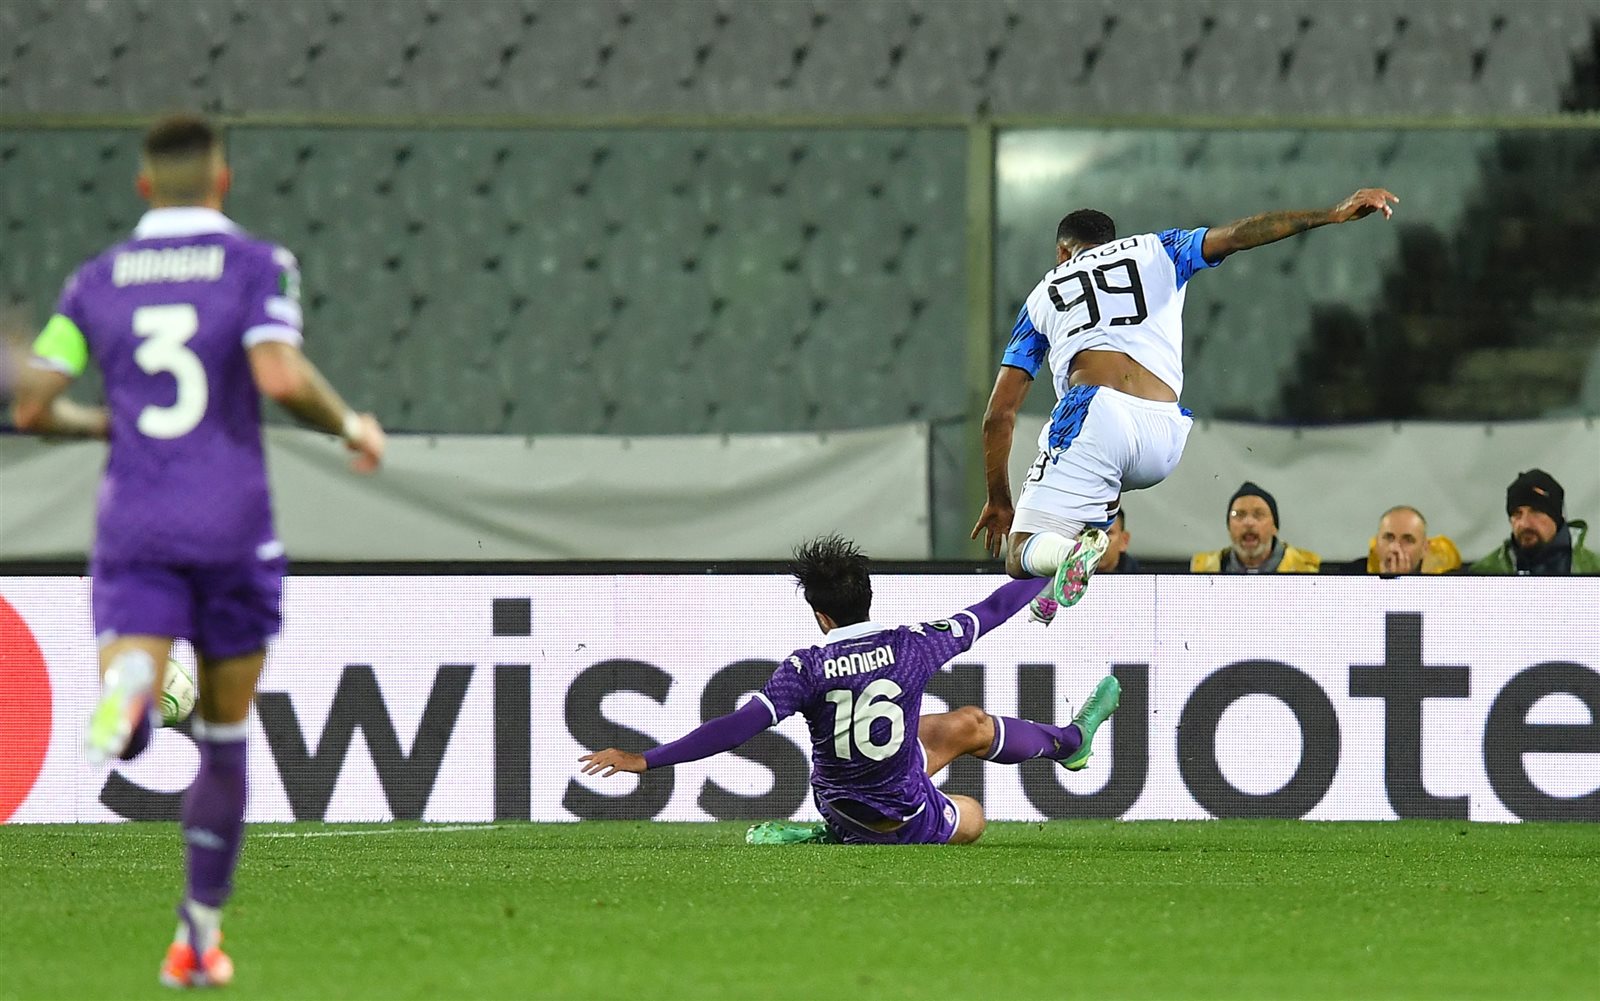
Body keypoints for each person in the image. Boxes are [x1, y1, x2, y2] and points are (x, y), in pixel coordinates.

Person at [9, 115, 386, 988]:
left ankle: (133, 696)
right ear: (223, 180)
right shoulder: (257, 264)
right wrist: (351, 426)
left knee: (132, 689)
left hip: (137, 519)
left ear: (143, 186)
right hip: (231, 520)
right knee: (224, 736)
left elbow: (32, 404)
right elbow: (280, 376)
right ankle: (198, 939)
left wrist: (100, 422)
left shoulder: (94, 280)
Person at [972, 190, 1397, 615]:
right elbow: (1240, 234)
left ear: (1063, 252)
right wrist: (1330, 214)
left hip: (1098, 417)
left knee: (1020, 552)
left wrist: (999, 500)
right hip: (1165, 434)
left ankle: (1067, 557)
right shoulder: (1158, 248)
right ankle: (1059, 582)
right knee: (1097, 491)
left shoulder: (1044, 293)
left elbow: (998, 415)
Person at [579, 535, 1122, 846]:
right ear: (868, 596)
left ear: (821, 615)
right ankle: (839, 838)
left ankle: (1071, 743)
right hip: (899, 814)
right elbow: (995, 608)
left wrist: (645, 760)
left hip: (839, 799)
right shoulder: (914, 646)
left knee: (969, 723)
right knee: (973, 816)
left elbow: (735, 729)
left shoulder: (805, 668)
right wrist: (1052, 570)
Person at [1470, 469, 1600, 575]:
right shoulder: (1484, 574)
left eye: (1536, 512)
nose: (1524, 523)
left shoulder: (1594, 569)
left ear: (1557, 517)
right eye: (1517, 513)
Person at [1191, 482, 1320, 573]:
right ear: (1229, 526)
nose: (1248, 522)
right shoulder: (1201, 570)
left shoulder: (1310, 569)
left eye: (1259, 514)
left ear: (1274, 526)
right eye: (1239, 515)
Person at [1364, 505, 1461, 575]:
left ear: (1424, 548)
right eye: (1389, 538)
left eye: (1408, 540)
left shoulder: (1448, 584)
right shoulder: (1357, 577)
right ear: (1376, 543)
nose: (1395, 548)